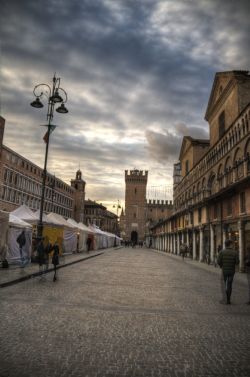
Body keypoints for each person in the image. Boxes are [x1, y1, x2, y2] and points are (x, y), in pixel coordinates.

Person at [217, 239, 239, 304]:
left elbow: (218, 261)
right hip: (232, 271)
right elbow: (237, 262)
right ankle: (228, 299)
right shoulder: (235, 252)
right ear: (230, 244)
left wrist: (221, 266)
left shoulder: (221, 252)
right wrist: (233, 263)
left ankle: (226, 295)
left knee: (225, 283)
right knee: (230, 284)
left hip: (225, 270)